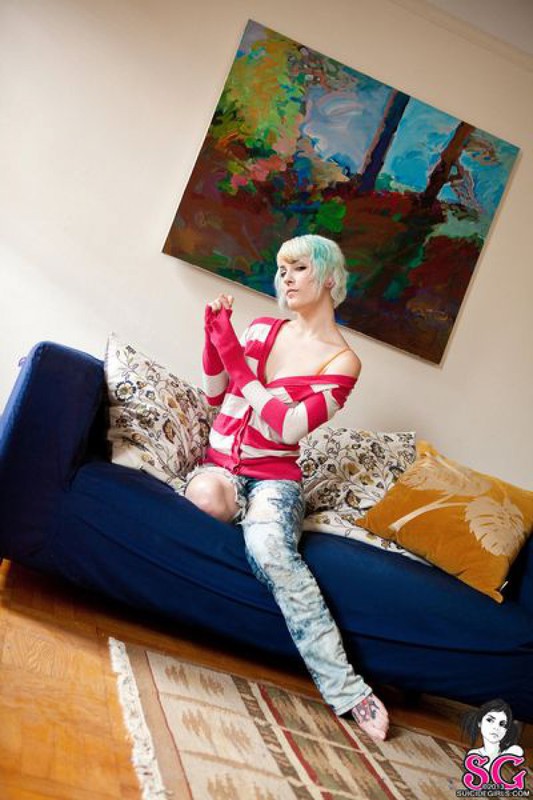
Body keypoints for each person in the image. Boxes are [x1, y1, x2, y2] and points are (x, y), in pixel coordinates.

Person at [183, 234, 389, 741]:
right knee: (205, 499)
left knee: (272, 549)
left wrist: (234, 359)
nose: (286, 278)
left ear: (329, 277)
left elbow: (289, 427)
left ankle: (348, 690)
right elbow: (215, 395)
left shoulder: (342, 362)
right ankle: (243, 524)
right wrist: (214, 339)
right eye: (281, 269)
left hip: (276, 479)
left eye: (298, 268)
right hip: (221, 467)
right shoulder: (260, 329)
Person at [462, 699, 523, 765]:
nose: (496, 727)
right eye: (490, 720)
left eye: (502, 724)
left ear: (506, 730)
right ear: (479, 722)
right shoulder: (474, 755)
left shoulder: (513, 752)